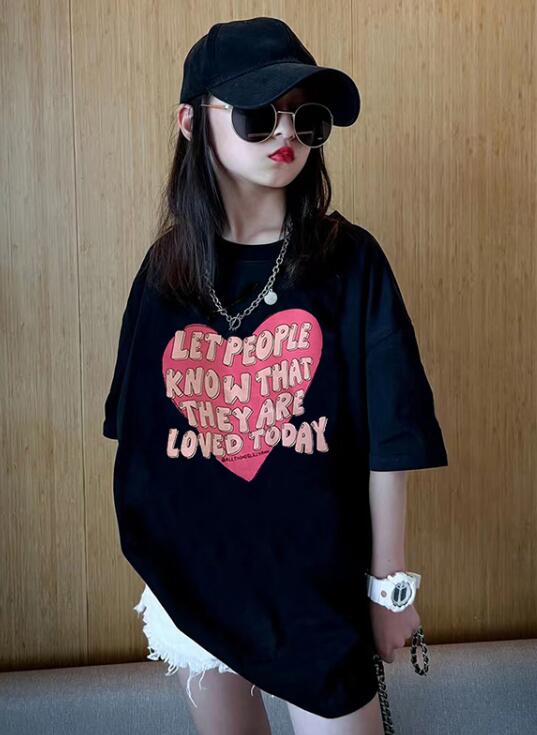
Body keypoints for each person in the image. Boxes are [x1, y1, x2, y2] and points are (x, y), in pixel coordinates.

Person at [103, 16, 448, 735]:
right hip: (194, 583)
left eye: (306, 118)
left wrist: (389, 588)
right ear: (191, 123)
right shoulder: (166, 272)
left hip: (315, 593)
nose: (284, 135)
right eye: (257, 115)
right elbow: (137, 440)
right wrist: (156, 559)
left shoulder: (349, 262)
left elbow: (392, 435)